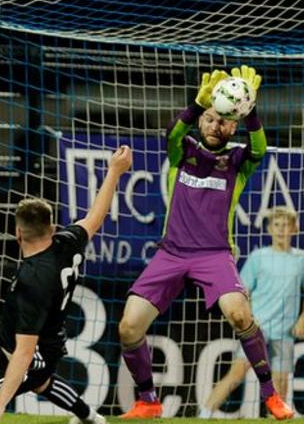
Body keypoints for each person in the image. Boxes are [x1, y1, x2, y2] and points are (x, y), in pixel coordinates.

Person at [117, 66, 295, 420]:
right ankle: (148, 399)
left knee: (240, 313)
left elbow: (259, 145)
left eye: (225, 121)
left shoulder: (238, 162)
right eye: (210, 119)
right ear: (202, 121)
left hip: (214, 255)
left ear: (233, 125)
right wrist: (198, 103)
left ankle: (271, 395)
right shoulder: (181, 151)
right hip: (171, 252)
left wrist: (251, 110)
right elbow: (175, 130)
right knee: (128, 327)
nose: (216, 126)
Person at [0, 146, 133, 424]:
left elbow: (23, 353)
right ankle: (90, 418)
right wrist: (114, 172)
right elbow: (96, 216)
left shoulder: (31, 281)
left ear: (17, 233)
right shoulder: (67, 243)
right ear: (53, 228)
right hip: (52, 344)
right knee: (41, 381)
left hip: (19, 360)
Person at [200, 206, 304, 418]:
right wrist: (250, 319)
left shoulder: (301, 259)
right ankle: (204, 415)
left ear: (294, 229)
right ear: (270, 229)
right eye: (277, 225)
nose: (281, 230)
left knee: (280, 383)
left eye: (286, 225)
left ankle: (276, 419)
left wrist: (303, 319)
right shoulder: (258, 257)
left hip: (285, 332)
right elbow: (242, 292)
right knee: (236, 374)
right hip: (257, 330)